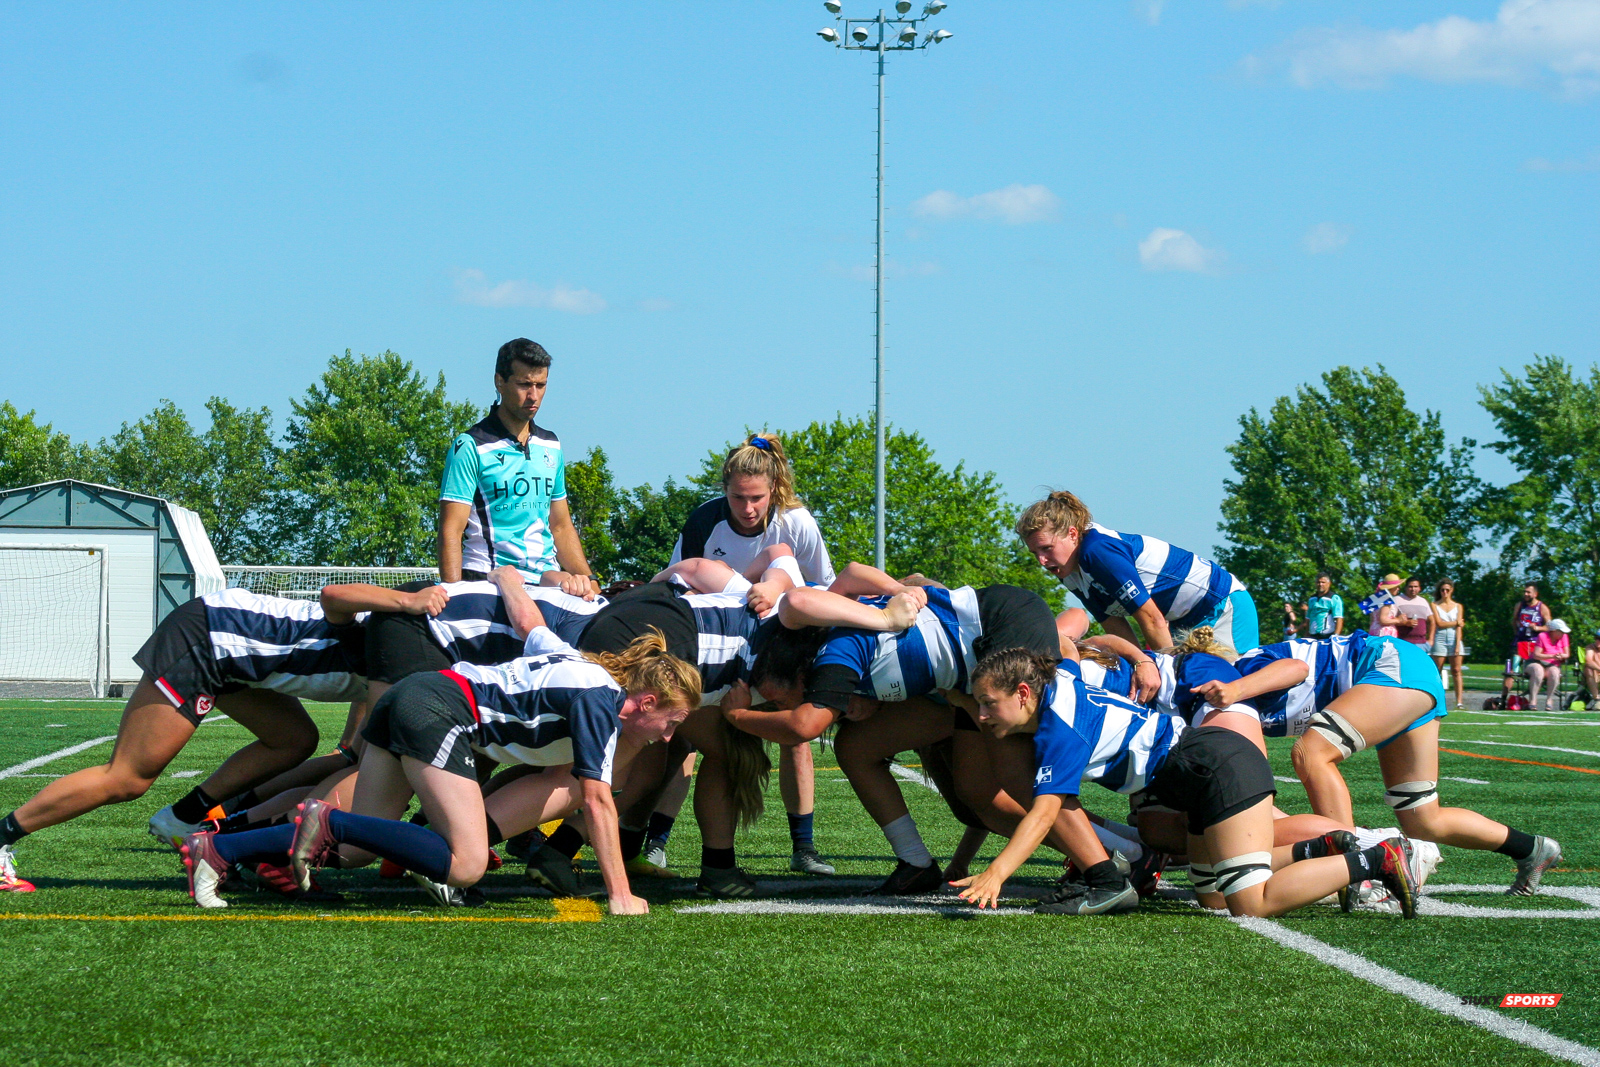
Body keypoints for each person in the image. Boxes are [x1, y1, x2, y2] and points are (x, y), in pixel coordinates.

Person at [181, 619, 699, 913]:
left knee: (358, 850)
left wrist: (507, 580)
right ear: (647, 702)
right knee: (467, 864)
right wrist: (621, 894)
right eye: (671, 721)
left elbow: (533, 627)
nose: (669, 736)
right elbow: (597, 799)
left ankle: (219, 849)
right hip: (439, 709)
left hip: (413, 696)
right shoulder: (600, 700)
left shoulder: (584, 668)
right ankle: (328, 820)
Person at [951, 646, 1417, 919]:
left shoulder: (1061, 727)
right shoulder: (1061, 677)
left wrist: (998, 872)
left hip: (1215, 767)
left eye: (989, 703)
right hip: (1197, 773)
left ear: (1024, 692)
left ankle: (1378, 858)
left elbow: (1045, 813)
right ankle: (1315, 850)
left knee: (1250, 903)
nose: (983, 715)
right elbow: (1070, 649)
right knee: (1212, 896)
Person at [0, 588, 382, 893]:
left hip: (234, 648)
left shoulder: (404, 641)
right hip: (208, 636)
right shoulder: (403, 642)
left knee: (294, 740)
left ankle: (183, 819)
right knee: (127, 778)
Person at [1242, 630, 1565, 896]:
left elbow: (1296, 667)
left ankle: (1355, 866)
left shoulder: (1234, 673)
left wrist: (1232, 689)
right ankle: (1530, 849)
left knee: (1311, 753)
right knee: (1422, 818)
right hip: (1401, 677)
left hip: (1390, 665)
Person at [671, 433, 837, 874]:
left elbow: (825, 587)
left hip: (782, 645)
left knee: (794, 736)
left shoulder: (796, 522)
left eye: (757, 498)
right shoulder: (704, 520)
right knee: (685, 734)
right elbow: (679, 581)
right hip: (717, 645)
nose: (747, 508)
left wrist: (779, 593)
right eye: (738, 498)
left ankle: (804, 848)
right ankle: (656, 842)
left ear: (774, 488)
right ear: (724, 489)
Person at [437, 338, 597, 596]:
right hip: (487, 581)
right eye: (524, 384)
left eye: (541, 385)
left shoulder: (551, 444)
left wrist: (591, 580)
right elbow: (451, 531)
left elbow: (560, 526)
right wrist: (456, 595)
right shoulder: (470, 445)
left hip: (546, 583)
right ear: (499, 382)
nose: (533, 395)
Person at [1015, 491, 1260, 654]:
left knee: (1226, 691)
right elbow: (1113, 624)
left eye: (1047, 548)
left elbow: (1152, 619)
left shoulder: (1097, 552)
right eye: (1035, 553)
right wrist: (1139, 663)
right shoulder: (1068, 569)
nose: (1042, 561)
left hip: (1221, 604)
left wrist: (1162, 673)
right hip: (1183, 620)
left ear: (1072, 534)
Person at [1500, 584, 1553, 704]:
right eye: (1525, 592)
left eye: (1528, 592)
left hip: (1535, 644)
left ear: (1535, 594)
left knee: (1537, 670)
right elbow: (1514, 620)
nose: (1526, 594)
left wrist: (1537, 628)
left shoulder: (1542, 607)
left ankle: (1533, 699)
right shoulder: (1519, 605)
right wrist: (1518, 633)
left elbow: (1549, 627)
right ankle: (1503, 699)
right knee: (1511, 671)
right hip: (1519, 643)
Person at [1430, 580, 1466, 711]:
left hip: (1454, 637)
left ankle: (1459, 701)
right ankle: (1436, 700)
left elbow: (1460, 627)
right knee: (1437, 670)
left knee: (1456, 670)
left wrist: (1457, 644)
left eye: (1447, 590)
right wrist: (1456, 622)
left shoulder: (1458, 606)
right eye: (1442, 590)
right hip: (1439, 637)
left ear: (1451, 590)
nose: (1445, 592)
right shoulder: (1434, 605)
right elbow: (1439, 623)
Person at [1526, 619, 1572, 712]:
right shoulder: (1542, 636)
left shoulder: (1564, 637)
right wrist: (1552, 656)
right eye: (1561, 631)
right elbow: (1536, 655)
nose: (1563, 634)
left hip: (1552, 664)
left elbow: (1567, 654)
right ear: (1554, 631)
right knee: (1538, 670)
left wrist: (1561, 656)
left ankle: (1549, 699)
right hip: (1536, 662)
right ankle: (1533, 700)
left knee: (1554, 673)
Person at [1392, 577, 1434, 651]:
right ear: (1405, 587)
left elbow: (1432, 621)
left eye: (1415, 586)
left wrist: (1431, 640)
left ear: (1419, 588)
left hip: (1422, 643)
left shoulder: (1423, 601)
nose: (1413, 589)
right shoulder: (1397, 600)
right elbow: (1389, 620)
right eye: (1410, 587)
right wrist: (1405, 623)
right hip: (1402, 642)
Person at [1302, 572, 1344, 640]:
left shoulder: (1334, 598)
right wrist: (1306, 634)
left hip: (1327, 636)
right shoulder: (1312, 599)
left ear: (1329, 583)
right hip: (1313, 636)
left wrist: (1336, 636)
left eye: (1323, 582)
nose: (1320, 584)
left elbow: (1339, 618)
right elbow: (1308, 618)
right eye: (1318, 582)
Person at [1585, 629, 1600, 711]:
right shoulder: (1590, 648)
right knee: (1588, 669)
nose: (1597, 641)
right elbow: (1589, 661)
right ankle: (1596, 699)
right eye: (1596, 638)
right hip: (1594, 674)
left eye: (1599, 639)